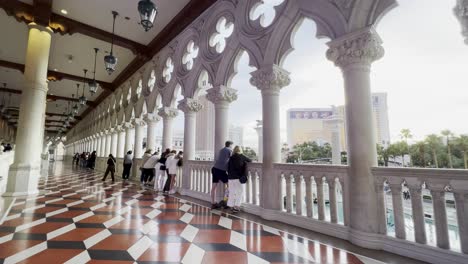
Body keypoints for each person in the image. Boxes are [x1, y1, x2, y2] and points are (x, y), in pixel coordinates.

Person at [227, 146, 251, 213]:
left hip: (230, 177)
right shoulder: (242, 156)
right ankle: (236, 207)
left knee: (231, 192)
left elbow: (227, 167)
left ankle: (231, 206)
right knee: (239, 192)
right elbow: (250, 160)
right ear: (240, 150)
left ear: (234, 150)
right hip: (238, 178)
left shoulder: (231, 158)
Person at [210, 141, 233, 209]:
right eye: (232, 145)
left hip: (214, 169)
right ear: (230, 145)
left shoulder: (221, 150)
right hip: (221, 170)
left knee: (214, 186)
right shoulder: (230, 150)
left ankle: (213, 203)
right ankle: (226, 202)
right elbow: (232, 159)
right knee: (229, 185)